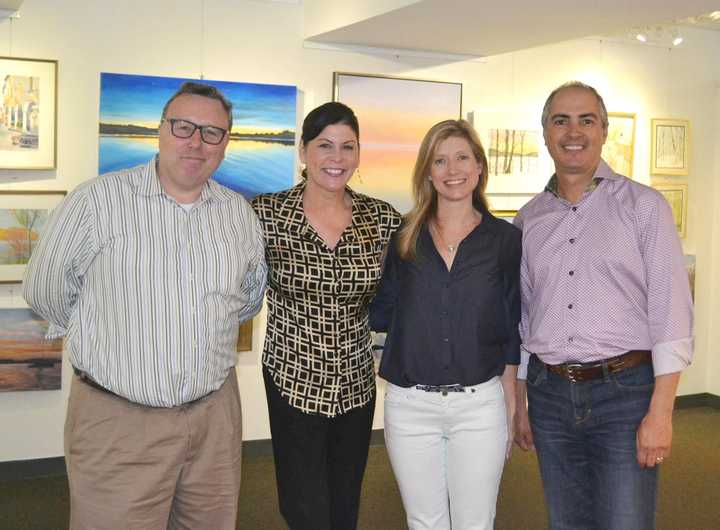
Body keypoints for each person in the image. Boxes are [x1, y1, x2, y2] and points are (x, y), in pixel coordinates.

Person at [23, 81, 267, 530]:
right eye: (183, 127)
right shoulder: (97, 201)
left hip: (213, 420)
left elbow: (247, 299)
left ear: (226, 143)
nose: (196, 142)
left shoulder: (238, 214)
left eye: (212, 132)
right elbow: (45, 289)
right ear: (159, 131)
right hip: (119, 422)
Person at [513, 81, 694, 530]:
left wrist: (661, 412)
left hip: (625, 397)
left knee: (625, 522)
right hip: (550, 396)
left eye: (585, 120)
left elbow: (671, 313)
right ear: (546, 133)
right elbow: (523, 317)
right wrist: (520, 402)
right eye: (561, 120)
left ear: (604, 130)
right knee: (566, 523)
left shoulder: (645, 207)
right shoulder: (528, 220)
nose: (573, 131)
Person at [251, 101, 401, 530]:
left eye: (347, 147)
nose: (336, 159)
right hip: (291, 376)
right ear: (303, 151)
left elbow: (400, 296)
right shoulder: (267, 215)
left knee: (345, 499)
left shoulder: (381, 219)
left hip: (355, 381)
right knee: (302, 505)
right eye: (324, 146)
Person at [370, 119, 520, 530]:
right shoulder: (403, 237)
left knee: (475, 522)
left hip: (479, 406)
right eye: (440, 160)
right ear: (428, 172)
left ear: (479, 167)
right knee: (424, 522)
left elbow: (511, 329)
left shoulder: (505, 241)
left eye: (461, 158)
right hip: (410, 405)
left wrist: (510, 401)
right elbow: (382, 313)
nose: (452, 170)